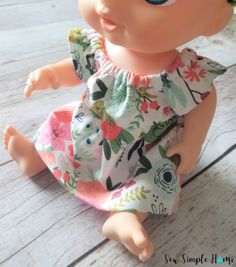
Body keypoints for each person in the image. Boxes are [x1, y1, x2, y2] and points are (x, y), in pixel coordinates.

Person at [3, 0, 233, 262]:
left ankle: (126, 215)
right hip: (90, 129)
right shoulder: (102, 45)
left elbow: (201, 100)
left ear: (214, 20)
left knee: (154, 179)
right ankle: (36, 156)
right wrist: (52, 74)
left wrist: (193, 142)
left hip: (143, 148)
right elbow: (78, 69)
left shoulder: (181, 74)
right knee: (60, 122)